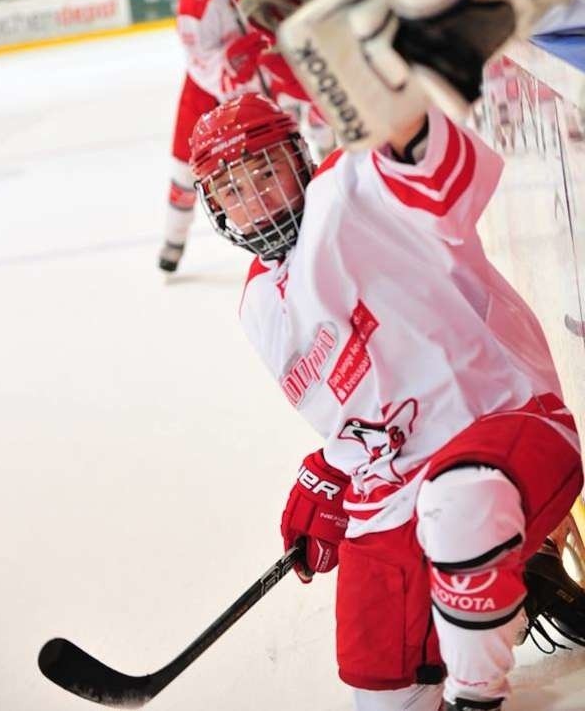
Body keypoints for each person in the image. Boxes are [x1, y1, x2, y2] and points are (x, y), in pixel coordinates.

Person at [189, 91, 585, 710]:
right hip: (396, 488)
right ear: (216, 212)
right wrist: (332, 472)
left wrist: (397, 108)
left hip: (506, 421)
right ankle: (525, 581)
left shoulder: (350, 189)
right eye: (233, 190)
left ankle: (477, 695)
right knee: (383, 699)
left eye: (265, 171)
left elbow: (440, 171)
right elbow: (354, 413)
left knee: (461, 505)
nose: (257, 200)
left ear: (298, 157)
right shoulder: (260, 307)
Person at [156, 0, 268, 273]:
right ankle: (174, 238)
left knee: (265, 166)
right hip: (203, 100)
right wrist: (237, 60)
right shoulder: (195, 2)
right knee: (184, 178)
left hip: (252, 92)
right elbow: (203, 65)